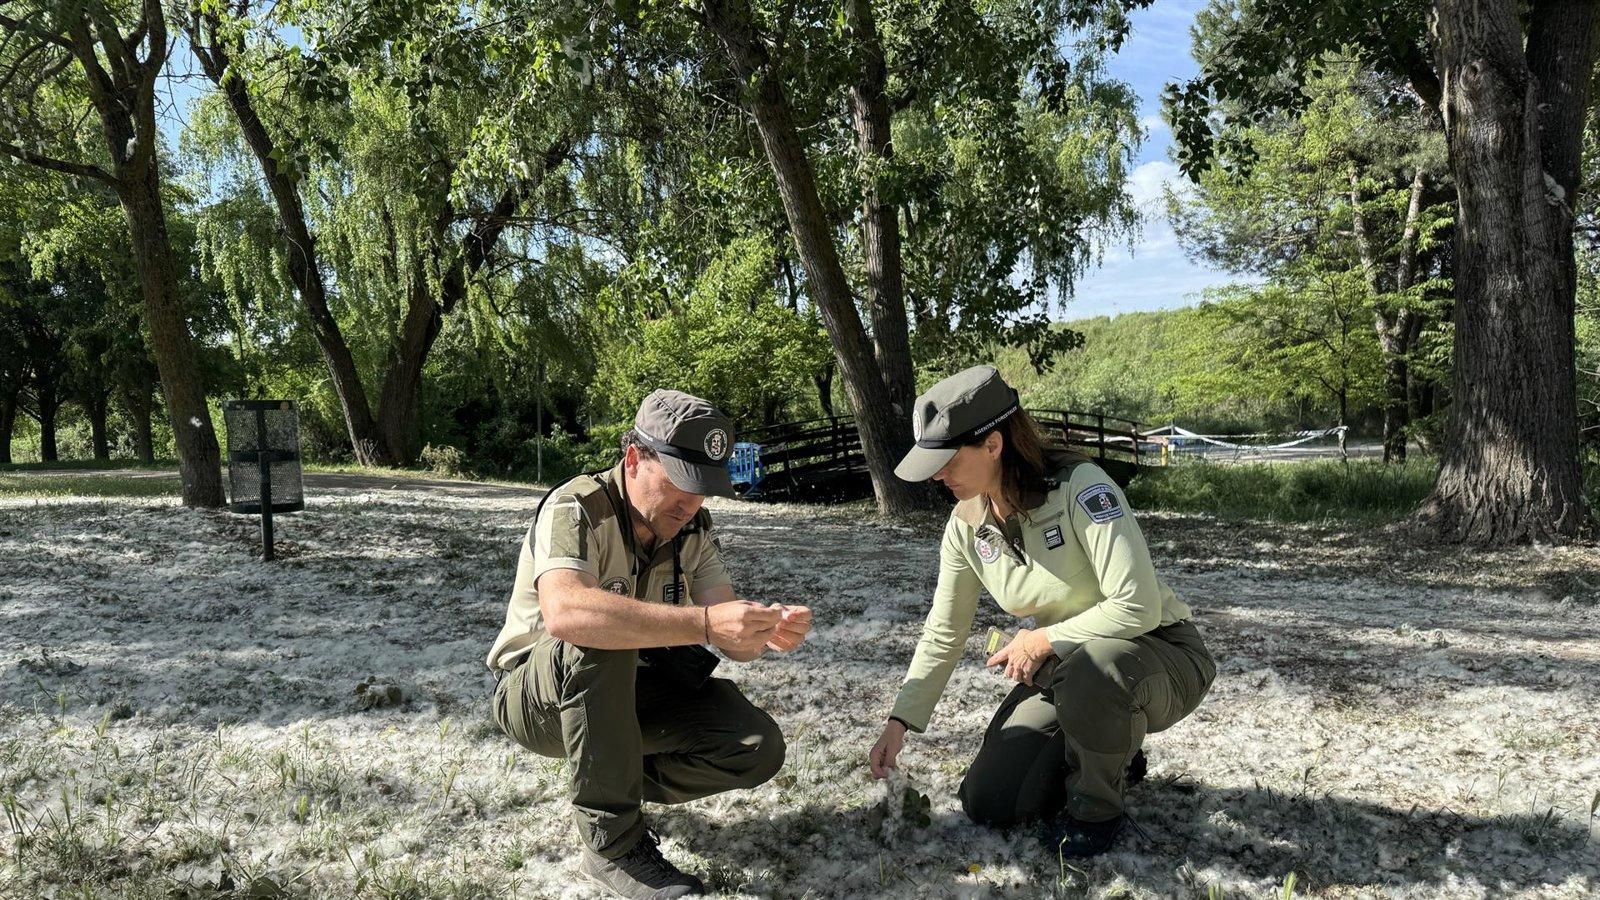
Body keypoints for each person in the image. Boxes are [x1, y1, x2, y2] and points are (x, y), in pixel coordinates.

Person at [867, 365, 1214, 857]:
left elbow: (1137, 605)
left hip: (1161, 654)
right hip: (1072, 669)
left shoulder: (1080, 487)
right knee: (989, 800)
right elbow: (944, 630)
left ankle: (1096, 812)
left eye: (947, 460)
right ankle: (1113, 752)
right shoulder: (965, 525)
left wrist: (1042, 639)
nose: (938, 475)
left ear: (993, 444)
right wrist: (899, 722)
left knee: (1096, 668)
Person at [487, 389, 812, 899]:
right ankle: (611, 845)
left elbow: (728, 628)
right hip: (535, 697)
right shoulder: (577, 506)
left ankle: (604, 778)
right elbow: (567, 613)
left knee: (755, 747)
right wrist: (706, 624)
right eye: (681, 482)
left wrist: (763, 630)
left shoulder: (692, 527)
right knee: (599, 631)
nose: (692, 503)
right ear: (635, 458)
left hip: (625, 690)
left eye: (703, 488)